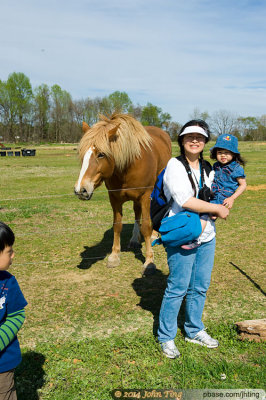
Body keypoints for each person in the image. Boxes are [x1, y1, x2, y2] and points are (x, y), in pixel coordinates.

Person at [157, 120, 229, 359]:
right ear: (182, 141)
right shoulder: (173, 166)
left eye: (200, 137)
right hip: (184, 234)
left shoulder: (208, 167)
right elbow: (185, 200)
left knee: (200, 286)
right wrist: (216, 210)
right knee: (177, 287)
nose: (195, 140)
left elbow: (216, 194)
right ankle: (166, 336)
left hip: (207, 236)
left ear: (205, 141)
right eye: (190, 137)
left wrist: (223, 203)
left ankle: (193, 329)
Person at [181, 133, 246, 250]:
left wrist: (232, 198)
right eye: (220, 152)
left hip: (222, 197)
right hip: (212, 194)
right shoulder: (216, 165)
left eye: (227, 152)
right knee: (198, 210)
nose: (223, 156)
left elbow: (243, 185)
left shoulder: (236, 169)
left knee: (204, 215)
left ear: (234, 154)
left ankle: (196, 239)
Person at [0, 222, 27, 400]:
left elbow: (17, 315)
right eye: (9, 251)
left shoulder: (8, 283)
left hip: (2, 364)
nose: (13, 255)